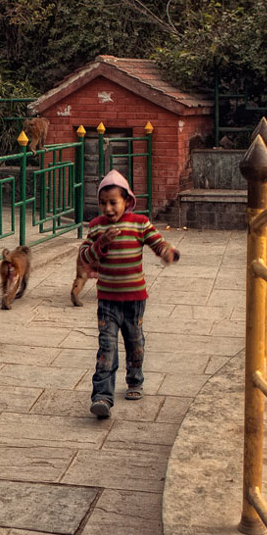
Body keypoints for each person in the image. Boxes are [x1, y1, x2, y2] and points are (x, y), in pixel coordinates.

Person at [78, 170, 179, 419]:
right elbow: (83, 257)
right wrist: (101, 243)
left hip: (134, 300)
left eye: (113, 202)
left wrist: (167, 251)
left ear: (127, 200)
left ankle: (135, 380)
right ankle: (102, 396)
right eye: (103, 203)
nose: (108, 208)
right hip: (107, 301)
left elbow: (157, 242)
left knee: (135, 344)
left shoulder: (139, 222)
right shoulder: (95, 227)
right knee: (106, 348)